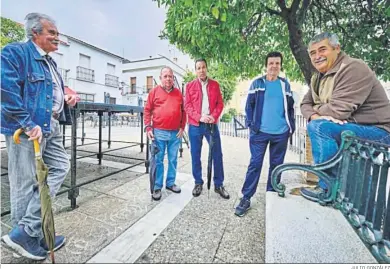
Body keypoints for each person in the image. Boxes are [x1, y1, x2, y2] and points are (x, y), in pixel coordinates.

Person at [1, 13, 77, 260]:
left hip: (51, 125)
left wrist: (67, 97)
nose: (57, 37)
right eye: (51, 33)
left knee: (60, 167)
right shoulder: (16, 53)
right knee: (26, 183)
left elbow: (52, 90)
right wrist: (26, 121)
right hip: (27, 129)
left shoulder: (50, 63)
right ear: (35, 33)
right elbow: (5, 90)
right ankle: (26, 236)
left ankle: (28, 230)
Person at [300, 32, 390, 202]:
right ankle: (348, 195)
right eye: (313, 53)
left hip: (379, 130)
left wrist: (317, 111)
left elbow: (337, 111)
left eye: (322, 50)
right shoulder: (316, 78)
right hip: (353, 127)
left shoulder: (353, 67)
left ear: (337, 48)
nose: (317, 56)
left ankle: (328, 188)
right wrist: (314, 115)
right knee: (318, 124)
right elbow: (304, 105)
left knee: (320, 128)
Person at [234, 52, 296, 217]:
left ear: (280, 65)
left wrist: (291, 127)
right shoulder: (257, 83)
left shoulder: (285, 85)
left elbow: (290, 107)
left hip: (280, 133)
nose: (274, 66)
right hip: (259, 133)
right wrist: (251, 125)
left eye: (277, 63)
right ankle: (246, 197)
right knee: (255, 164)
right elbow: (249, 106)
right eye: (271, 63)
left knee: (276, 166)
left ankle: (272, 195)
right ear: (266, 65)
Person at [184, 59, 230, 199]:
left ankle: (218, 184)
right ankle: (198, 182)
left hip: (211, 124)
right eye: (199, 68)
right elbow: (187, 106)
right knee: (195, 155)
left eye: (203, 67)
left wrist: (213, 117)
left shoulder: (215, 85)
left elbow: (219, 104)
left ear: (206, 68)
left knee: (217, 154)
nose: (201, 70)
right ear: (196, 70)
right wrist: (199, 117)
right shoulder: (190, 86)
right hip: (195, 125)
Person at [144, 66, 186, 201]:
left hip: (175, 133)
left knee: (173, 160)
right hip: (159, 132)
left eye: (170, 76)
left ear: (173, 78)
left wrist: (182, 127)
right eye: (165, 76)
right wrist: (148, 128)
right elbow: (147, 110)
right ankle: (157, 186)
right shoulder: (154, 92)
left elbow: (183, 111)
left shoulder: (179, 93)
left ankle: (170, 183)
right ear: (161, 78)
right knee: (158, 160)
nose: (168, 78)